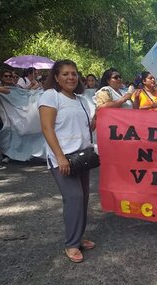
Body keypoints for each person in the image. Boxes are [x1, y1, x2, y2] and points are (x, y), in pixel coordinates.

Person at [38, 59, 95, 263]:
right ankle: (71, 244)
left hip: (82, 158)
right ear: (56, 77)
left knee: (83, 199)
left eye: (74, 73)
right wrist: (60, 157)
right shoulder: (50, 96)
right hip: (63, 158)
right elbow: (47, 128)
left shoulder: (80, 99)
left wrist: (107, 113)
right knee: (74, 198)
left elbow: (87, 127)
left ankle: (78, 237)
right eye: (65, 74)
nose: (71, 77)